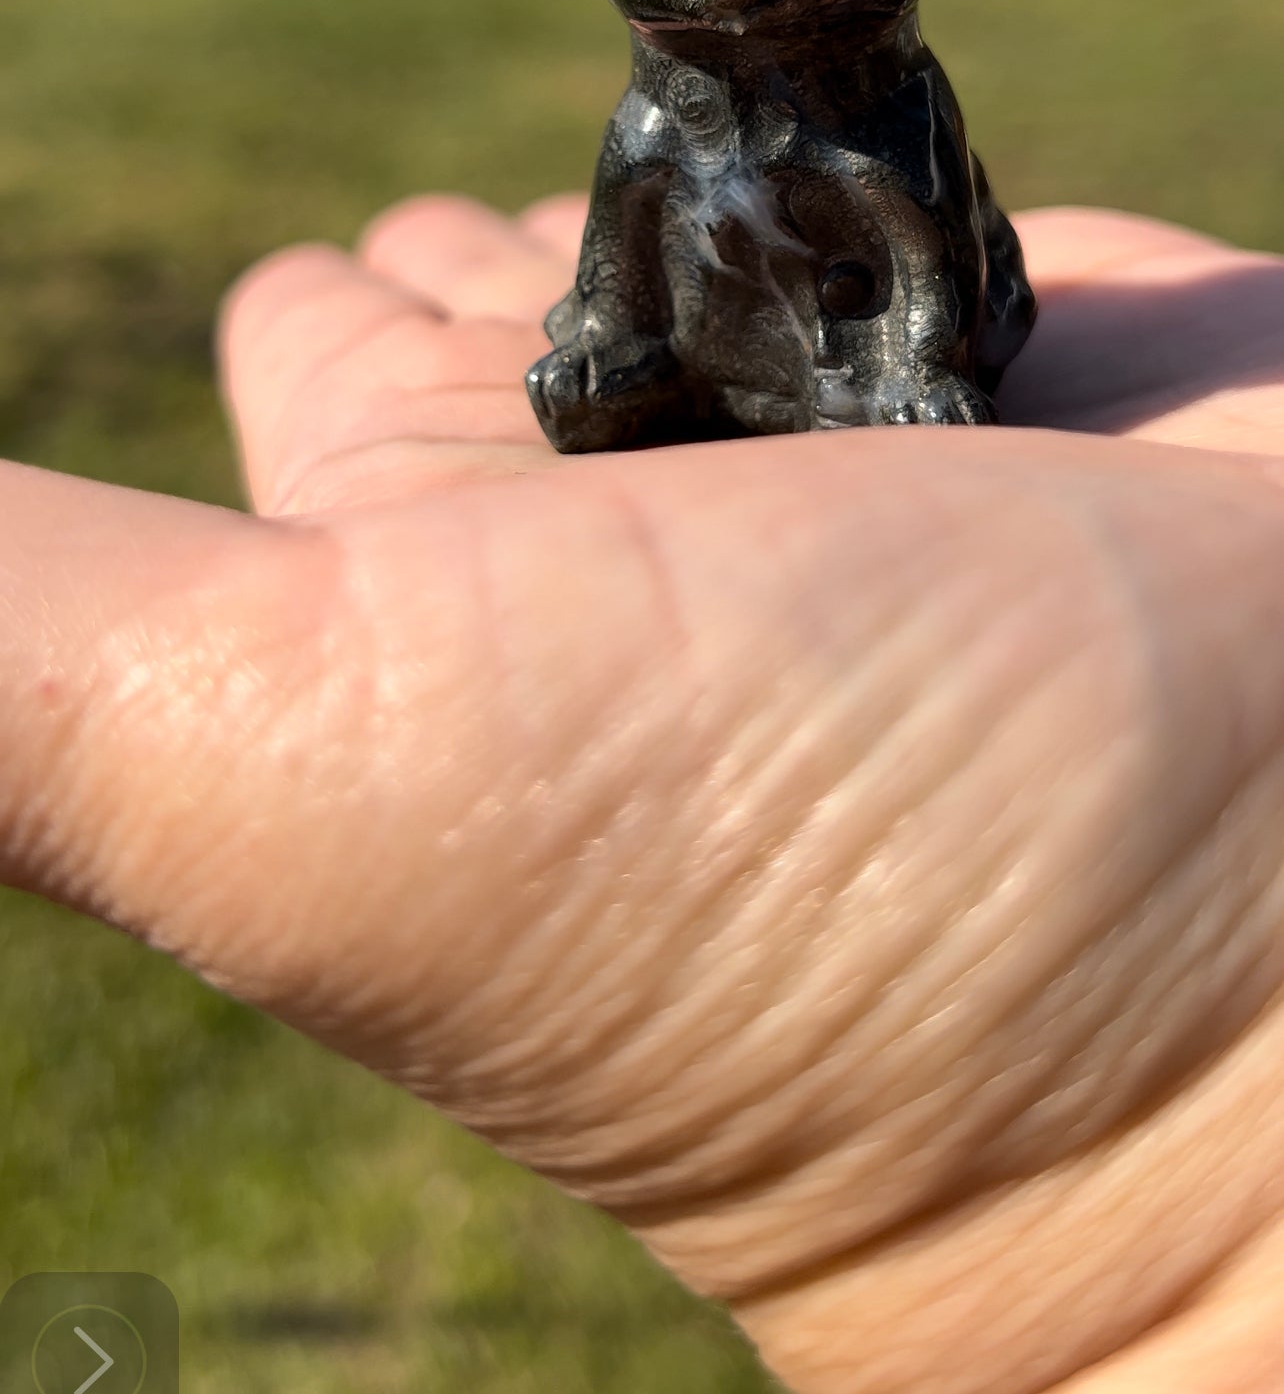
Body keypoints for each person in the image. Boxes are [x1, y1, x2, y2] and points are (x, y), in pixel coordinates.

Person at [2, 192, 1282, 1394]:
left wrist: (916, 356)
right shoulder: (668, 110)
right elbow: (631, 234)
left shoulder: (884, 105)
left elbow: (919, 240)